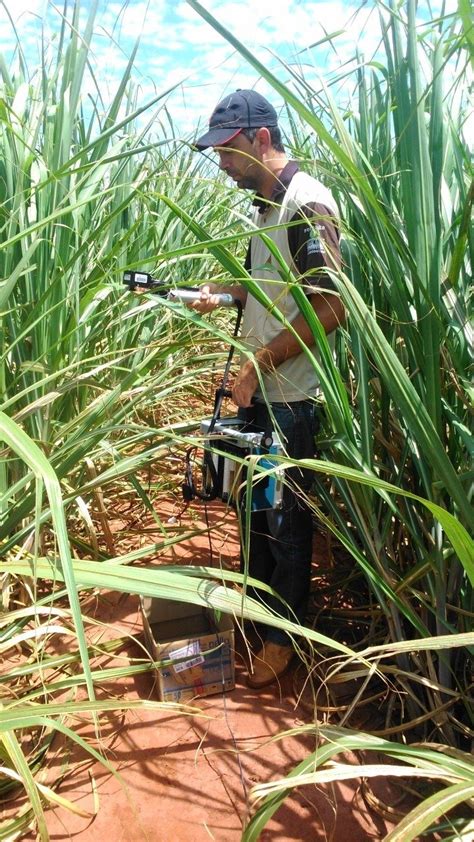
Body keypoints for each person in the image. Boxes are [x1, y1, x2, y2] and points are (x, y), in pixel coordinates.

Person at [193, 89, 344, 689]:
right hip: (261, 393)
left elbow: (330, 307)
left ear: (261, 138)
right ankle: (259, 615)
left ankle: (283, 638)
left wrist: (258, 363)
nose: (221, 164)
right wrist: (220, 292)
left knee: (284, 520)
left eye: (227, 151)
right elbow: (266, 287)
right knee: (252, 509)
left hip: (291, 397)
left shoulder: (307, 204)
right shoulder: (264, 205)